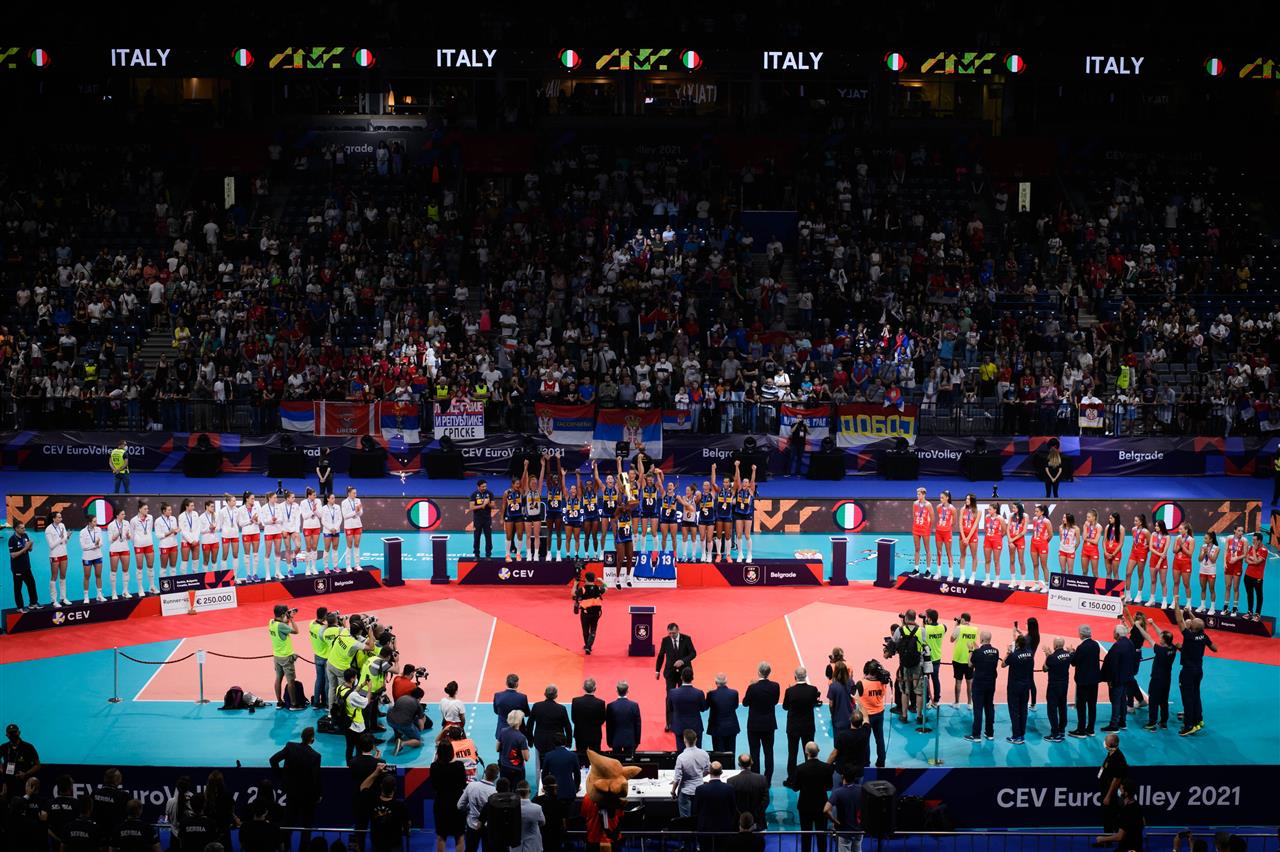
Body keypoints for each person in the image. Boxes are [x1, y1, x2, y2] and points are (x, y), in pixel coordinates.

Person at [269, 727, 322, 841]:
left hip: (292, 793)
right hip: (308, 796)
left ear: (301, 736)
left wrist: (281, 777)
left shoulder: (290, 747)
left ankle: (284, 846)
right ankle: (304, 848)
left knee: (288, 823)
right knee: (307, 826)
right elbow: (315, 779)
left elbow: (273, 760)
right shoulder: (315, 756)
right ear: (312, 739)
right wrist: (318, 795)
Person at [1174, 605, 1217, 735]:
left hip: (1188, 671)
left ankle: (1189, 725)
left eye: (1191, 623)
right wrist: (1191, 613)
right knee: (1196, 695)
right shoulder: (1203, 636)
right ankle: (1198, 720)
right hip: (1198, 671)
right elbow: (1214, 648)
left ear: (1192, 628)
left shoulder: (1189, 636)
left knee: (1188, 697)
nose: (1189, 623)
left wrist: (1177, 603)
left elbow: (1179, 620)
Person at [743, 662, 780, 784]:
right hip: (769, 725)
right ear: (769, 673)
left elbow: (745, 703)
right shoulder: (775, 686)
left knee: (754, 752)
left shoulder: (752, 688)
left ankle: (756, 779)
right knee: (768, 752)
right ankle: (768, 780)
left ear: (759, 672)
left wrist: (751, 686)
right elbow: (775, 701)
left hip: (754, 725)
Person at [792, 742, 832, 852]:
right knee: (822, 835)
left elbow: (795, 788)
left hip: (805, 806)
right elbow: (829, 786)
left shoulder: (800, 768)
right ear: (818, 751)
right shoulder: (827, 768)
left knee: (806, 835)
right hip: (822, 805)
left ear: (806, 752)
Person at [782, 666, 821, 780]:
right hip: (808, 726)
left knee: (792, 753)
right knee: (809, 753)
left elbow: (785, 707)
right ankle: (809, 777)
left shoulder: (790, 691)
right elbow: (814, 703)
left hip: (793, 726)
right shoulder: (813, 690)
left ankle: (791, 778)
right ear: (805, 676)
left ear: (795, 677)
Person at [657, 622, 697, 729]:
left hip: (684, 674)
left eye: (673, 633)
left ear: (678, 630)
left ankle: (683, 721)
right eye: (670, 633)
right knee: (670, 696)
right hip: (670, 673)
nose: (672, 635)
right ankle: (669, 723)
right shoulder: (665, 640)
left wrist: (683, 661)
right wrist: (657, 670)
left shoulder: (687, 639)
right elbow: (661, 655)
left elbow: (693, 653)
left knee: (684, 696)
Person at [430, 741, 467, 852]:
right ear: (452, 751)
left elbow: (434, 786)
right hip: (457, 804)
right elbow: (463, 784)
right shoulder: (459, 765)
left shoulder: (434, 766)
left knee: (441, 836)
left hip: (441, 804)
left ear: (438, 753)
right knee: (459, 836)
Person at [891, 610, 926, 725]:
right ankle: (919, 716)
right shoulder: (921, 630)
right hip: (917, 664)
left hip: (904, 665)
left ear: (905, 618)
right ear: (915, 618)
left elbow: (893, 643)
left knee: (904, 691)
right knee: (919, 691)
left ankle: (904, 716)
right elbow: (924, 645)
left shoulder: (899, 630)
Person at [963, 631, 999, 742]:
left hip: (979, 684)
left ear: (981, 639)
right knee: (989, 707)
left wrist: (970, 651)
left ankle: (976, 735)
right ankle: (990, 733)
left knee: (978, 708)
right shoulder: (996, 651)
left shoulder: (977, 652)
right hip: (991, 683)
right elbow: (985, 656)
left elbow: (970, 664)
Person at [852, 664, 889, 768]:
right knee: (880, 739)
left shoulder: (861, 683)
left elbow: (854, 696)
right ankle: (881, 762)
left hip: (866, 716)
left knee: (865, 740)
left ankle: (866, 763)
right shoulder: (882, 682)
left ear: (867, 672)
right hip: (879, 713)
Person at [1102, 624, 1137, 733]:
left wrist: (1109, 679)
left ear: (1117, 634)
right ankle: (1122, 722)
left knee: (1116, 701)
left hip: (1117, 679)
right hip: (1127, 677)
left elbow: (1111, 664)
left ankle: (1114, 725)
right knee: (1122, 699)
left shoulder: (1117, 646)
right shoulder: (1130, 643)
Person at [1068, 625, 1101, 738]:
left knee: (1081, 706)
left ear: (1081, 634)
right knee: (1092, 705)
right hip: (1094, 681)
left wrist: (1071, 653)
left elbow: (1074, 662)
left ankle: (1081, 730)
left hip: (1083, 681)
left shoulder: (1081, 647)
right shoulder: (1095, 645)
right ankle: (1091, 729)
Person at [1094, 777, 1145, 852]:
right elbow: (1143, 823)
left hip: (1129, 849)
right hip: (1137, 846)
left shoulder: (1126, 811)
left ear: (1126, 793)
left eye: (1120, 790)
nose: (1119, 792)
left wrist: (1102, 839)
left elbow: (1119, 837)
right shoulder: (1137, 806)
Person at [528, 685, 573, 768]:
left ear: (545, 694)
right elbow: (568, 727)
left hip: (540, 741)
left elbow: (530, 724)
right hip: (556, 742)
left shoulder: (536, 706)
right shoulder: (561, 709)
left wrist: (530, 740)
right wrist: (569, 742)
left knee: (540, 763)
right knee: (556, 763)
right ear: (556, 695)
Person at [1002, 633, 1036, 744]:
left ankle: (1016, 736)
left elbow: (1003, 664)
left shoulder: (1014, 655)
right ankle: (1021, 734)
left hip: (1014, 686)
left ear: (1017, 644)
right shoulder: (1030, 654)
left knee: (1014, 711)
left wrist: (1008, 653)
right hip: (1026, 686)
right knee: (1023, 710)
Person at [458, 763, 500, 852]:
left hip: (472, 825)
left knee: (470, 850)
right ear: (496, 777)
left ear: (485, 772)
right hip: (488, 828)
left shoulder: (471, 786)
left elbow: (460, 805)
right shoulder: (495, 793)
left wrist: (470, 808)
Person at [365, 772, 411, 852]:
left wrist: (376, 772)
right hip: (395, 845)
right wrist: (407, 830)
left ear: (381, 786)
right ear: (395, 788)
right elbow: (407, 825)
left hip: (377, 844)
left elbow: (363, 787)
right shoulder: (400, 806)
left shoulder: (372, 801)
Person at [694, 761, 737, 842]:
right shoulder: (729, 788)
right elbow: (733, 809)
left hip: (705, 828)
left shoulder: (700, 789)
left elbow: (696, 809)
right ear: (721, 772)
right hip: (724, 828)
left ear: (709, 772)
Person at [268, 604, 301, 710]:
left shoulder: (271, 622)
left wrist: (287, 617)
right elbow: (296, 631)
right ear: (283, 614)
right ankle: (293, 704)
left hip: (277, 656)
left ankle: (279, 702)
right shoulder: (281, 626)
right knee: (290, 681)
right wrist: (291, 619)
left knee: (278, 679)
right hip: (286, 657)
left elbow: (283, 625)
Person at [671, 729, 711, 817]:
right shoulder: (704, 754)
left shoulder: (681, 757)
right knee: (699, 817)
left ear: (684, 740)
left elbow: (677, 778)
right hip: (700, 790)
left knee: (686, 820)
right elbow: (708, 770)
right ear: (696, 739)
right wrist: (699, 775)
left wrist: (673, 791)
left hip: (685, 792)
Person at [827, 709, 871, 785]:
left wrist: (826, 766)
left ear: (850, 720)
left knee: (837, 789)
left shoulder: (842, 735)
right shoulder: (866, 732)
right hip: (859, 772)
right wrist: (860, 704)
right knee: (858, 791)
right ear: (861, 721)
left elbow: (834, 754)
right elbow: (866, 718)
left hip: (842, 771)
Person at [825, 766, 864, 852]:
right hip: (859, 830)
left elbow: (826, 810)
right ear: (855, 777)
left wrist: (835, 822)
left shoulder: (838, 792)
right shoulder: (862, 790)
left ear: (842, 776)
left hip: (844, 831)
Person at [669, 666, 708, 751]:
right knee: (697, 752)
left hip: (679, 727)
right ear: (692, 678)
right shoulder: (699, 693)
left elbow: (671, 708)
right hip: (695, 727)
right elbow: (703, 708)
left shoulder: (673, 693)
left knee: (681, 753)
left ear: (681, 677)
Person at [479, 777, 523, 852]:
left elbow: (481, 820)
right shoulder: (516, 800)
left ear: (496, 788)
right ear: (508, 788)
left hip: (495, 837)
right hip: (511, 836)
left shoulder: (491, 800)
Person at [726, 753, 769, 830]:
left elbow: (730, 802)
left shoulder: (731, 781)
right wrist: (755, 815)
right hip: (757, 821)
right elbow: (765, 801)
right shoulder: (762, 779)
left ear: (739, 764)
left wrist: (740, 816)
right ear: (751, 763)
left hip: (737, 822)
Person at [1097, 733, 1129, 833]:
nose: (1104, 742)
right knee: (1108, 816)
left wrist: (1108, 796)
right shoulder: (1111, 753)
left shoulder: (1118, 758)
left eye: (1105, 741)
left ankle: (1110, 837)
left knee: (1110, 817)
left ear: (1110, 744)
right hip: (1106, 790)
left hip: (1111, 794)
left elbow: (1116, 779)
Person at [1042, 637, 1073, 742]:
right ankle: (1061, 730)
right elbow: (1071, 657)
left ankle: (1055, 734)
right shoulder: (1068, 655)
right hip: (1064, 685)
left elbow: (1045, 668)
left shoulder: (1052, 657)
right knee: (1062, 707)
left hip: (1054, 686)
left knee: (1052, 709)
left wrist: (1047, 655)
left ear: (1054, 645)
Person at [0, 724, 41, 800]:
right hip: (7, 784)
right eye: (10, 733)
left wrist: (26, 774)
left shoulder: (28, 747)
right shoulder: (3, 747)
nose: (13, 735)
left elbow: (37, 765)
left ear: (19, 732)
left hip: (23, 783)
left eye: (14, 732)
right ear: (7, 735)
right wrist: (1, 768)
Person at [571, 679, 606, 758]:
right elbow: (602, 720)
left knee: (580, 758)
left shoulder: (576, 701)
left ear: (583, 688)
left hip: (580, 734)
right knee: (596, 759)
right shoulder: (600, 703)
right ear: (595, 688)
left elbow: (574, 718)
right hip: (595, 735)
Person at [540, 735, 581, 804]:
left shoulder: (548, 756)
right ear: (565, 742)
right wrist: (575, 788)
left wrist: (546, 787)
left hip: (553, 792)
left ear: (553, 743)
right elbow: (577, 774)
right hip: (569, 791)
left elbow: (544, 774)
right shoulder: (573, 756)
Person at [706, 673, 741, 754]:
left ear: (716, 682)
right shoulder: (734, 693)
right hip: (731, 727)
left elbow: (706, 707)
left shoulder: (711, 694)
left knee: (718, 754)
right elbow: (735, 706)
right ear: (726, 682)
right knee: (731, 753)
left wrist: (708, 694)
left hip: (716, 729)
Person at [605, 681, 642, 757]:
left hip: (615, 740)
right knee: (629, 762)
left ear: (616, 691)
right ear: (627, 691)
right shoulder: (634, 706)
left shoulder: (610, 706)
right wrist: (637, 741)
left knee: (616, 762)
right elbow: (638, 725)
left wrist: (609, 741)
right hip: (630, 740)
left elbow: (609, 726)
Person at [7, 521, 38, 612]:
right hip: (17, 568)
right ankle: (20, 607)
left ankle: (33, 603)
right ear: (16, 529)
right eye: (22, 528)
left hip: (26, 566)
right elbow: (13, 555)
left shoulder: (25, 536)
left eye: (24, 527)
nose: (24, 529)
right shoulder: (12, 539)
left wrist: (31, 545)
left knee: (31, 584)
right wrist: (25, 548)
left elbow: (30, 550)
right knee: (18, 588)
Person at [573, 571, 606, 654]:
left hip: (585, 613)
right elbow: (606, 588)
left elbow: (573, 594)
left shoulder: (582, 589)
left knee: (585, 630)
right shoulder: (597, 588)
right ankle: (588, 646)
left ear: (586, 579)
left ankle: (587, 646)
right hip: (596, 613)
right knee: (593, 630)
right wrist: (601, 581)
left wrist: (575, 584)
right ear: (594, 579)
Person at [493, 674, 532, 743]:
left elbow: (496, 711)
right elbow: (527, 713)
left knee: (503, 749)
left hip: (502, 730)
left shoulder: (497, 695)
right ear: (517, 684)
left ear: (506, 683)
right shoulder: (522, 697)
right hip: (518, 731)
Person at [387, 687, 427, 755]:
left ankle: (397, 734)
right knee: (418, 741)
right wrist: (418, 730)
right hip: (403, 724)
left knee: (395, 713)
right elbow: (421, 727)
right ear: (420, 698)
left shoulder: (402, 697)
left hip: (390, 721)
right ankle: (402, 743)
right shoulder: (418, 705)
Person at [949, 613, 978, 705]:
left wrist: (956, 625)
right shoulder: (975, 629)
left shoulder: (959, 628)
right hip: (970, 659)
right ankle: (970, 703)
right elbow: (974, 643)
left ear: (962, 619)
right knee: (969, 682)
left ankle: (957, 702)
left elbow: (951, 639)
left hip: (958, 659)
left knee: (958, 682)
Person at [533, 776, 568, 852]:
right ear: (556, 787)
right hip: (556, 836)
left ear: (543, 788)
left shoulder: (536, 800)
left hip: (542, 836)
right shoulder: (561, 801)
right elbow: (564, 823)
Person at [44, 510, 72, 607]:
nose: (61, 519)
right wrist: (60, 538)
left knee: (63, 576)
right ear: (54, 519)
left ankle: (63, 598)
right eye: (59, 517)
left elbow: (65, 542)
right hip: (54, 555)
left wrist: (67, 537)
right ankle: (54, 600)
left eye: (61, 517)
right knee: (54, 576)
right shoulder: (48, 530)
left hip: (64, 553)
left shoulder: (62, 525)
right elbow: (51, 545)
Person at [79, 508, 107, 603]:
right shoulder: (83, 532)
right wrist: (95, 545)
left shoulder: (98, 529)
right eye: (94, 521)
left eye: (96, 521)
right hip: (87, 557)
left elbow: (101, 543)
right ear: (89, 522)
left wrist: (96, 544)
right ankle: (86, 596)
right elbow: (83, 547)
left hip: (98, 555)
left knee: (98, 575)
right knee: (87, 576)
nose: (96, 523)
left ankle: (99, 595)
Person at [498, 710, 531, 785]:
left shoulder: (503, 731)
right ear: (520, 721)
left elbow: (497, 748)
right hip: (517, 769)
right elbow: (526, 758)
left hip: (504, 766)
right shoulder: (521, 737)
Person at [511, 780, 546, 852]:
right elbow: (542, 823)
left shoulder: (511, 809)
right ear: (529, 791)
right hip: (533, 846)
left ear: (516, 792)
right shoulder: (537, 808)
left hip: (515, 848)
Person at [1244, 532, 1268, 620]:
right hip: (1248, 575)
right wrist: (1254, 562)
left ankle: (1257, 614)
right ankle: (1250, 612)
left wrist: (1254, 551)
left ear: (1259, 541)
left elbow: (1257, 562)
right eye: (1252, 539)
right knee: (1249, 594)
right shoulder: (1251, 547)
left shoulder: (1264, 550)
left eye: (1254, 540)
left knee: (1259, 595)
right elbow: (1246, 560)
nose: (1253, 541)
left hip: (1257, 577)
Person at [470, 480, 494, 560]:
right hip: (478, 519)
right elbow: (471, 507)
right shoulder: (474, 494)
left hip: (487, 519)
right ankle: (476, 555)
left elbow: (493, 506)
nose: (484, 488)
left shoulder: (489, 493)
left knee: (488, 537)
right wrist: (483, 505)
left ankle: (488, 555)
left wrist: (488, 503)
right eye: (483, 486)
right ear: (478, 487)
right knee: (477, 537)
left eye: (485, 486)